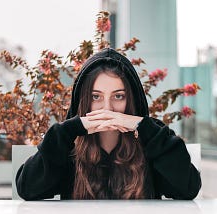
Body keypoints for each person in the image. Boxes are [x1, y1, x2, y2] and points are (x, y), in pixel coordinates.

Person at [16, 48, 201, 200]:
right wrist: (69, 129)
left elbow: (188, 189)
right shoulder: (68, 148)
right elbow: (27, 189)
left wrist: (144, 126)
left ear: (132, 100)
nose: (107, 108)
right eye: (96, 97)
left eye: (118, 96)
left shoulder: (150, 143)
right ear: (84, 100)